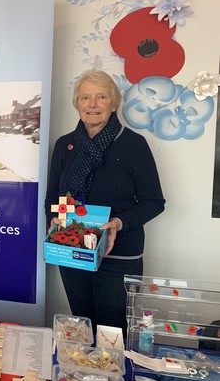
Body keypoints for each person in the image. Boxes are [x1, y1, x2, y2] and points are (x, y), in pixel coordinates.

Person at [45, 70, 165, 334]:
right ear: (77, 103)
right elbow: (52, 199)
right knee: (82, 326)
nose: (92, 104)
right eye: (85, 97)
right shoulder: (65, 145)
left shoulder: (133, 145)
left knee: (112, 333)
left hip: (119, 254)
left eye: (101, 97)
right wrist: (54, 223)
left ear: (113, 103)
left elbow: (154, 201)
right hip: (74, 249)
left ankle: (112, 376)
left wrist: (118, 223)